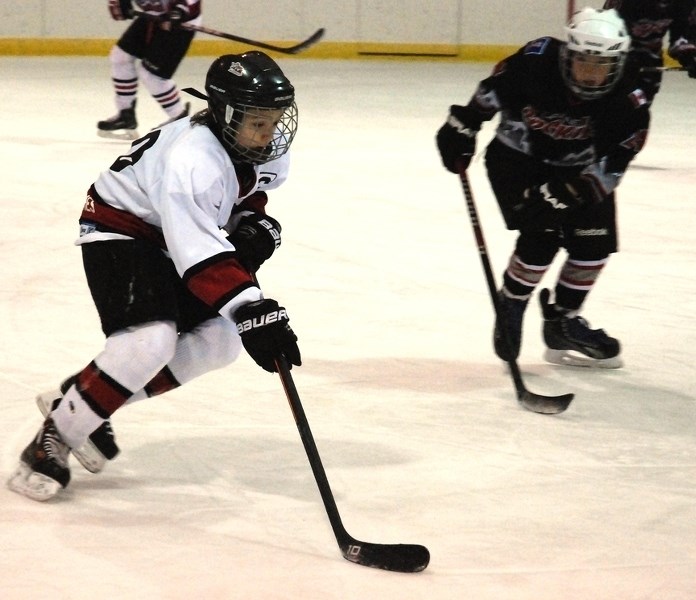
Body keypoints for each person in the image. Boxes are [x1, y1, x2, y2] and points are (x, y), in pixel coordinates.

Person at [8, 51, 302, 502]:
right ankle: (53, 440)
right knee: (148, 342)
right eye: (257, 122)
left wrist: (255, 222)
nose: (269, 134)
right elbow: (198, 251)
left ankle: (80, 398)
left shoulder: (250, 148)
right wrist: (251, 308)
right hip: (119, 229)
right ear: (226, 114)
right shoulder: (194, 161)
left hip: (167, 233)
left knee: (221, 341)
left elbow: (242, 196)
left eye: (275, 119)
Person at [436, 7, 650, 368]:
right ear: (568, 55)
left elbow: (616, 161)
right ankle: (513, 301)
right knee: (542, 235)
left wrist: (576, 191)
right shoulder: (536, 61)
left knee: (593, 246)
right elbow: (491, 92)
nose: (591, 74)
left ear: (617, 64)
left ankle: (562, 321)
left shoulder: (630, 98)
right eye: (584, 62)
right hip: (517, 161)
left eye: (602, 67)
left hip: (579, 170)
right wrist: (464, 123)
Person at [98, 0, 202, 139]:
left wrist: (180, 11)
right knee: (120, 57)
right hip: (153, 16)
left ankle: (179, 118)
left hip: (182, 24)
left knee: (151, 76)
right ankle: (125, 114)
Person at [603, 0, 696, 102]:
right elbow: (603, 30)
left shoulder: (685, 3)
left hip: (649, 68)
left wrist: (689, 58)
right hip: (613, 65)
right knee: (609, 108)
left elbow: (681, 35)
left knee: (639, 108)